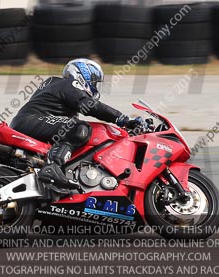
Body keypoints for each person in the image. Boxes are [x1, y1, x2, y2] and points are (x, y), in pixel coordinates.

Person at [10, 58, 144, 190]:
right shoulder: (67, 84)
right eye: (94, 81)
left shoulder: (58, 88)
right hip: (31, 120)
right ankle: (53, 166)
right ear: (81, 75)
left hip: (29, 122)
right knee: (80, 128)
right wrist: (122, 119)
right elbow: (89, 105)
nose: (95, 86)